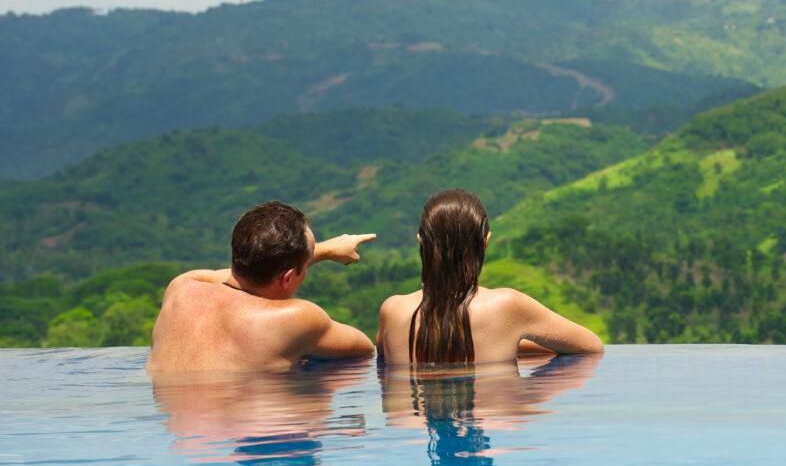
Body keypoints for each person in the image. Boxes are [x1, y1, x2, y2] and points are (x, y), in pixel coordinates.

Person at [375, 189, 604, 364]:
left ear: (420, 242)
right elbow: (591, 346)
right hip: (493, 412)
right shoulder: (508, 306)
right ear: (485, 243)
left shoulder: (392, 310)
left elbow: (382, 361)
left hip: (406, 422)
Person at [146, 200, 375, 372]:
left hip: (177, 428)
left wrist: (321, 251)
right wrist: (318, 254)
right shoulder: (295, 319)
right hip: (256, 429)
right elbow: (365, 350)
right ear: (286, 279)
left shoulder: (181, 288)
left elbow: (221, 276)